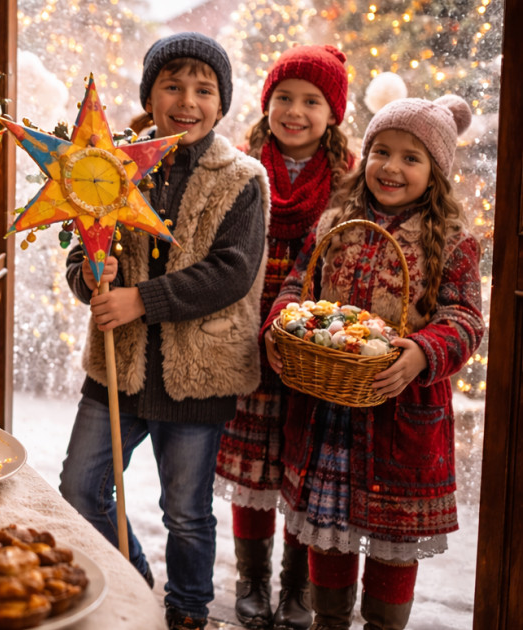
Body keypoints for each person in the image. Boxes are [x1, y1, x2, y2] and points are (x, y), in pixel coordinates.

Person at [59, 32, 268, 630]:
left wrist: (141, 300)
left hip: (198, 374)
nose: (187, 100)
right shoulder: (108, 162)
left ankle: (187, 611)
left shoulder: (241, 178)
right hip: (117, 368)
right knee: (79, 487)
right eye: (172, 85)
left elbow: (230, 272)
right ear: (150, 93)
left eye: (204, 90)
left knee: (186, 512)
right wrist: (89, 278)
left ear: (222, 104)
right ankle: (131, 577)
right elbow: (82, 251)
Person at [263, 92, 484, 630]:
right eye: (382, 151)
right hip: (327, 414)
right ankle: (329, 620)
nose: (391, 167)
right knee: (328, 532)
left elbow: (467, 320)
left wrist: (423, 353)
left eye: (412, 158)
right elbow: (299, 281)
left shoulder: (452, 242)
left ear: (436, 172)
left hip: (398, 418)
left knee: (391, 544)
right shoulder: (336, 220)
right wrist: (281, 320)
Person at [214, 44, 355, 630]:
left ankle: (295, 587)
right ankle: (251, 578)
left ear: (333, 114)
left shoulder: (348, 183)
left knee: (300, 470)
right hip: (248, 333)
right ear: (267, 103)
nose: (295, 111)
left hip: (310, 347)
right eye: (284, 98)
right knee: (253, 469)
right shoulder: (243, 165)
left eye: (312, 101)